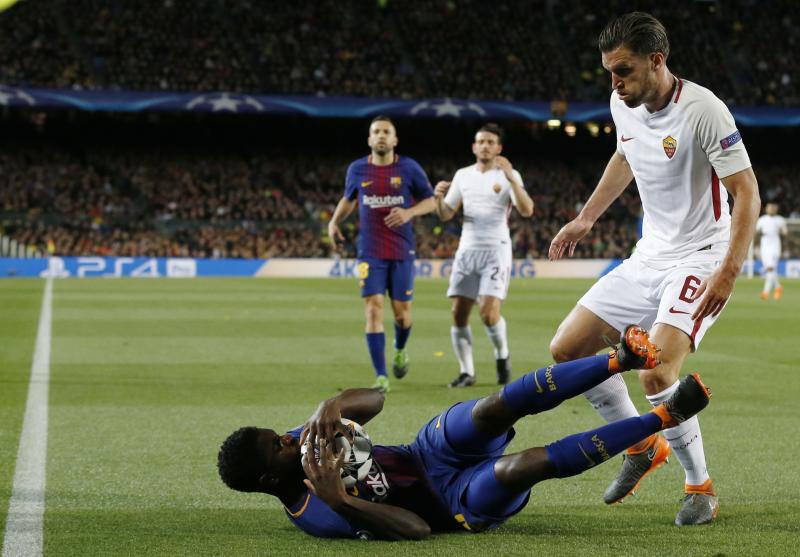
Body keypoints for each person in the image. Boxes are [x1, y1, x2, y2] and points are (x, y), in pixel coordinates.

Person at [548, 12, 761, 526]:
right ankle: (642, 443)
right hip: (649, 255)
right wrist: (585, 218)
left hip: (700, 256)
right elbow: (626, 157)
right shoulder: (624, 105)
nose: (613, 82)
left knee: (657, 370)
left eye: (622, 70)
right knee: (567, 351)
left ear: (656, 61)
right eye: (608, 72)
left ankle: (700, 487)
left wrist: (728, 271)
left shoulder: (703, 110)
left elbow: (747, 192)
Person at [217, 327, 713, 540]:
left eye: (278, 434)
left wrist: (334, 403)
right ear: (266, 480)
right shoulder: (317, 516)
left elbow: (376, 400)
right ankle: (662, 420)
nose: (287, 438)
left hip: (424, 450)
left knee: (494, 407)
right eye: (277, 445)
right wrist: (345, 503)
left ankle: (619, 358)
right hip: (452, 501)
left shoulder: (305, 439)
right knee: (527, 464)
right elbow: (418, 531)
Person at [328, 116, 437, 393]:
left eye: (386, 132)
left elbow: (431, 200)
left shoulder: (409, 168)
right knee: (373, 308)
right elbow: (348, 198)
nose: (380, 136)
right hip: (370, 251)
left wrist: (409, 212)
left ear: (394, 139)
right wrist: (333, 222)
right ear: (369, 139)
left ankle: (400, 348)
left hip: (401, 250)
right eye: (376, 132)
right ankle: (381, 376)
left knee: (402, 315)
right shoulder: (357, 169)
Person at [434, 123, 534, 388]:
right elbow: (446, 214)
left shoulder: (509, 175)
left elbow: (527, 210)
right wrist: (437, 199)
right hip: (467, 250)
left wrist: (512, 177)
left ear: (499, 148)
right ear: (474, 146)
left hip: (496, 250)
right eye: (481, 141)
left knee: (489, 314)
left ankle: (502, 356)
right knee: (458, 314)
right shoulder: (463, 175)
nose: (486, 145)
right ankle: (467, 372)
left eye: (491, 142)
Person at [755, 202, 787, 300]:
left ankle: (765, 292)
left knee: (770, 268)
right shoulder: (762, 220)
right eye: (770, 207)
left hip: (775, 245)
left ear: (776, 209)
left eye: (773, 207)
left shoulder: (780, 220)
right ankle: (778, 287)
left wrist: (783, 232)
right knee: (769, 268)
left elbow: (785, 232)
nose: (771, 209)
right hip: (764, 245)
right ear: (766, 208)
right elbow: (756, 232)